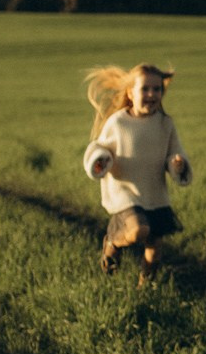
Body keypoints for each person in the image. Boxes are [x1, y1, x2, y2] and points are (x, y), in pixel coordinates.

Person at [83, 63, 193, 281]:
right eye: (145, 89)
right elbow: (99, 148)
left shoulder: (165, 124)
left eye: (157, 89)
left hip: (154, 195)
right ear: (130, 93)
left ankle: (146, 288)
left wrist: (177, 164)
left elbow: (174, 153)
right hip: (125, 193)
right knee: (138, 230)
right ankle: (113, 241)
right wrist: (100, 161)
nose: (152, 94)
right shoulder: (118, 123)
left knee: (154, 247)